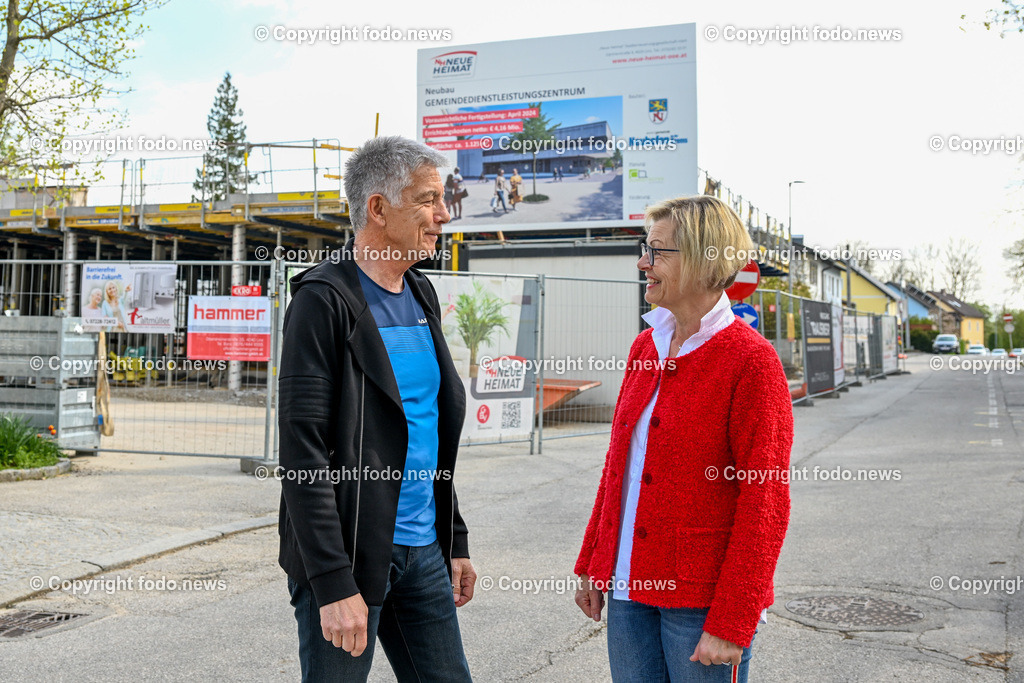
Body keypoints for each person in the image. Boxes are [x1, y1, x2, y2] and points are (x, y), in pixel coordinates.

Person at [278, 135, 476, 683]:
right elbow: (302, 453)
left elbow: (425, 427)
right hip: (351, 556)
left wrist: (452, 537)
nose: (442, 215)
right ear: (378, 208)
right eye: (428, 200)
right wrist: (333, 581)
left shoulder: (421, 293)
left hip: (423, 550)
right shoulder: (323, 301)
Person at [574, 195, 792, 683]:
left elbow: (766, 500)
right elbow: (620, 467)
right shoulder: (644, 345)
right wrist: (594, 559)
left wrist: (735, 619)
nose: (642, 262)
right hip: (629, 590)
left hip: (701, 601)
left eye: (657, 251)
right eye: (644, 248)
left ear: (700, 259)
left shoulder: (750, 362)